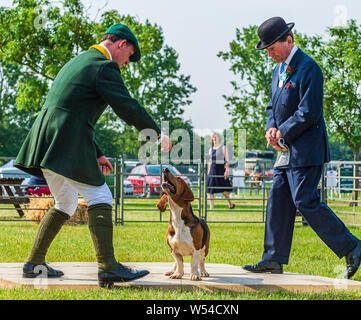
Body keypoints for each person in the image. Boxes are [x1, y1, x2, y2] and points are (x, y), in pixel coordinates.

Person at [14, 23, 171, 286]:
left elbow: (74, 112)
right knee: (100, 197)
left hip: (48, 139)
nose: (126, 63)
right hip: (65, 141)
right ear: (121, 44)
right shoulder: (104, 65)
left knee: (65, 202)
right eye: (129, 55)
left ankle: (34, 263)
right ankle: (108, 268)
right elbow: (127, 105)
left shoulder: (78, 61)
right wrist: (155, 133)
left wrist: (97, 152)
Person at [242, 17, 361, 279]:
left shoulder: (309, 68)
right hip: (285, 151)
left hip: (307, 150)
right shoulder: (277, 71)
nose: (269, 54)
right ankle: (273, 258)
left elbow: (308, 112)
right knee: (277, 198)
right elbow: (271, 107)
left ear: (289, 40)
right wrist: (271, 127)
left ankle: (351, 246)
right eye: (266, 51)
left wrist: (282, 131)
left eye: (272, 48)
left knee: (304, 200)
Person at [206, 132, 235, 209]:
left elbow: (227, 160)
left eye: (216, 137)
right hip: (212, 170)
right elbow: (210, 162)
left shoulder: (223, 147)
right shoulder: (210, 149)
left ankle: (230, 204)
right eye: (213, 137)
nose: (214, 139)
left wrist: (226, 171)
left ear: (219, 138)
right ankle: (211, 208)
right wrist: (208, 172)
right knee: (210, 190)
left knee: (222, 190)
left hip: (220, 170)